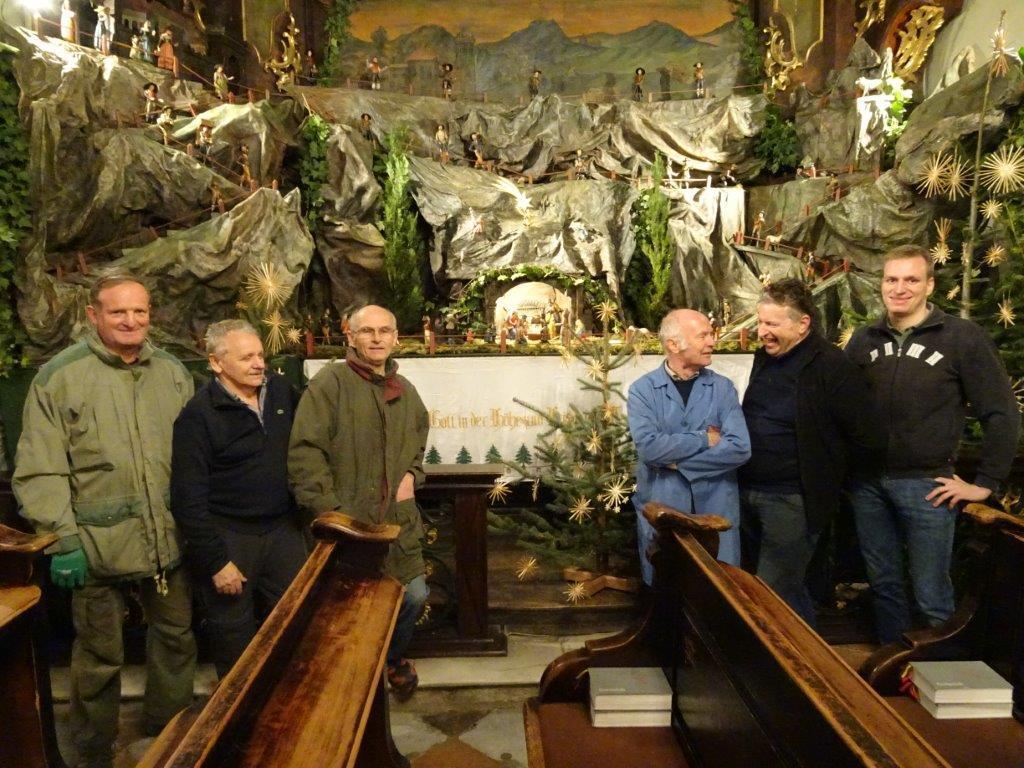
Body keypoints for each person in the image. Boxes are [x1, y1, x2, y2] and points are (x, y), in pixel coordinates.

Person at [13, 275, 196, 768]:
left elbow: (195, 458)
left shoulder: (173, 373)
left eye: (140, 311)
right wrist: (63, 541)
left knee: (176, 639)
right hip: (94, 546)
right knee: (99, 655)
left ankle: (169, 735)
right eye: (118, 312)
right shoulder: (59, 377)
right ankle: (93, 750)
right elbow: (41, 469)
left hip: (168, 540)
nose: (131, 321)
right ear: (93, 315)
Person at [845, 245, 1020, 644]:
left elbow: (1001, 412)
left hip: (927, 486)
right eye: (892, 279)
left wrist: (986, 483)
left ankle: (939, 671)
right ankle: (894, 665)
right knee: (884, 584)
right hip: (867, 484)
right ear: (881, 284)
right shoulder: (864, 339)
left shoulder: (962, 338)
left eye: (911, 279)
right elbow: (841, 406)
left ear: (929, 285)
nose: (899, 288)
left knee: (931, 593)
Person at [288, 305, 430, 698]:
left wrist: (411, 476)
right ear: (350, 336)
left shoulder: (406, 391)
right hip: (347, 522)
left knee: (414, 595)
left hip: (396, 522)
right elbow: (305, 453)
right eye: (367, 331)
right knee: (348, 605)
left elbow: (418, 444)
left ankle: (390, 658)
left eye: (385, 331)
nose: (377, 338)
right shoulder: (330, 384)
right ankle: (356, 677)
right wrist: (331, 513)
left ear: (396, 337)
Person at [739, 280, 883, 625]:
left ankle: (775, 656)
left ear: (802, 323)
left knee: (768, 593)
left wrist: (829, 478)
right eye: (760, 322)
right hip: (748, 491)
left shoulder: (833, 366)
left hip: (793, 500)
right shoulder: (764, 358)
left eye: (772, 324)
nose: (762, 331)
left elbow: (868, 436)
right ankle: (808, 649)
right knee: (785, 588)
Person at [171, 320, 306, 677]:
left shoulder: (281, 391)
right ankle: (238, 708)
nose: (259, 364)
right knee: (233, 637)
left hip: (282, 530)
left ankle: (290, 703)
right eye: (247, 358)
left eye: (260, 355)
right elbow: (187, 499)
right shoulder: (197, 416)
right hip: (230, 537)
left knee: (298, 622)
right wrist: (216, 562)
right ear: (216, 363)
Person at [628, 309, 751, 584]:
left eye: (711, 335)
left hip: (716, 510)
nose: (712, 342)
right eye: (703, 336)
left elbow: (739, 447)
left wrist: (678, 464)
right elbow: (649, 448)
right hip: (664, 507)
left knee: (720, 588)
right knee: (667, 589)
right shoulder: (642, 391)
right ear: (673, 344)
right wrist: (703, 439)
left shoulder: (722, 388)